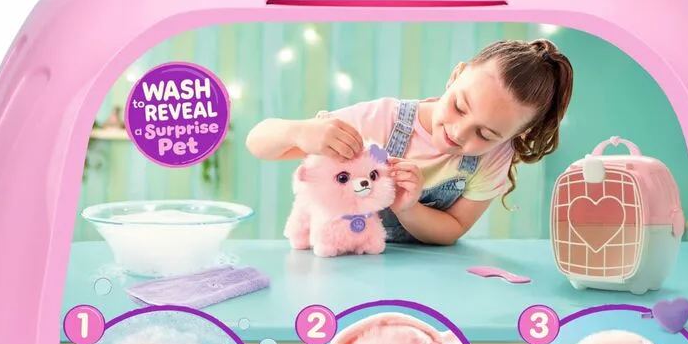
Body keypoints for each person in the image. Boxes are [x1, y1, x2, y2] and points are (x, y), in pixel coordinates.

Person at [246, 38, 574, 244]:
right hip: (340, 257)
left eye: (485, 134)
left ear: (516, 135)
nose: (459, 132)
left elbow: (453, 228)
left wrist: (408, 209)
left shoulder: (495, 157)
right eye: (460, 107)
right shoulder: (383, 120)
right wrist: (299, 132)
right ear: (456, 75)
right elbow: (257, 142)